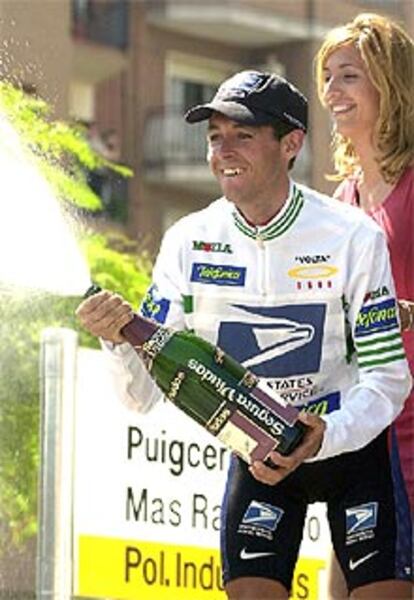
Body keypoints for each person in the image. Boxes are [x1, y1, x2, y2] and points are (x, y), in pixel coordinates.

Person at [76, 70, 412, 599]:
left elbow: (388, 379)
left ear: (291, 143)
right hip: (259, 453)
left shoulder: (352, 236)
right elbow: (139, 396)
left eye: (243, 135)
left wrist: (329, 432)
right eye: (214, 137)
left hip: (350, 444)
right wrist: (117, 339)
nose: (223, 151)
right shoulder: (189, 241)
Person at [315, 13, 414, 598]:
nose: (332, 92)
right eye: (327, 78)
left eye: (348, 75)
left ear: (390, 82)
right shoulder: (341, 202)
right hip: (366, 431)